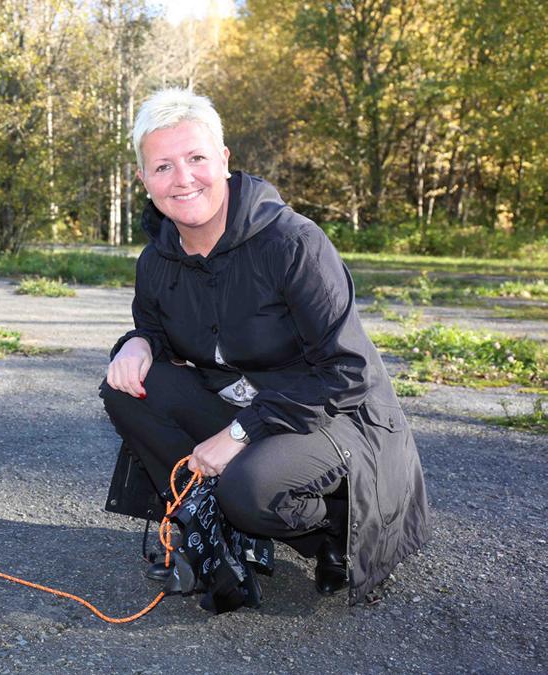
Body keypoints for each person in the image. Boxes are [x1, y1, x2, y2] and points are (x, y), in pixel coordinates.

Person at [100, 88, 430, 605]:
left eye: (196, 158)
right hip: (249, 402)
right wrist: (138, 344)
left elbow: (348, 372)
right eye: (162, 167)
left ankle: (332, 532)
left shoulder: (292, 244)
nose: (182, 179)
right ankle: (211, 519)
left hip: (336, 415)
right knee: (127, 388)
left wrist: (239, 432)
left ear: (224, 161)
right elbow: (156, 327)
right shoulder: (157, 259)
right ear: (143, 181)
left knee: (248, 490)